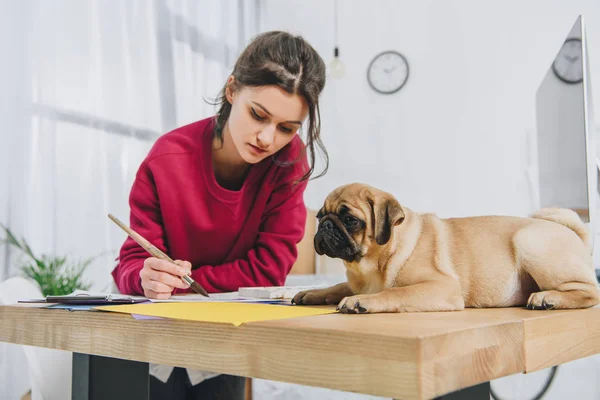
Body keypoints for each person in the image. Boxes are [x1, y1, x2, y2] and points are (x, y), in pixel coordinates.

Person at [111, 31, 328, 400]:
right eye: (258, 115)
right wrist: (145, 277)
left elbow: (268, 271)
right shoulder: (168, 157)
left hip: (225, 340)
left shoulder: (289, 162)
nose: (266, 138)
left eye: (287, 128)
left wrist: (179, 285)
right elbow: (131, 261)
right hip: (153, 336)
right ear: (232, 90)